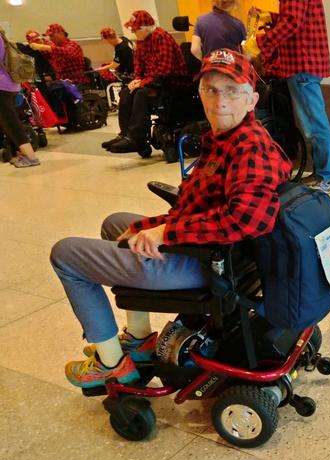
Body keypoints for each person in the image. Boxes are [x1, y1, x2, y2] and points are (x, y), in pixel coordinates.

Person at [51, 49, 293, 388]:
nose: (220, 100)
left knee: (65, 254)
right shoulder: (226, 138)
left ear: (251, 99)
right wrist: (155, 227)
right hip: (215, 254)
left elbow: (246, 219)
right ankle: (138, 339)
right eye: (211, 89)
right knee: (116, 222)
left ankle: (111, 364)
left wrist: (166, 232)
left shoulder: (249, 147)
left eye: (232, 90)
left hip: (208, 264)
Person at [250, 0, 330, 194]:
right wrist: (270, 16)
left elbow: (292, 21)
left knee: (314, 125)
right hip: (303, 63)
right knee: (313, 124)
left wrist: (259, 44)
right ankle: (323, 174)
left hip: (302, 63)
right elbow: (293, 18)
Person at [104, 10, 188, 154]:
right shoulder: (142, 41)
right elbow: (138, 64)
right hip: (154, 82)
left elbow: (164, 71)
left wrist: (142, 83)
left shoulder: (162, 37)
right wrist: (137, 79)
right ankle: (126, 134)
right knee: (126, 92)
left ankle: (136, 138)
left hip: (172, 82)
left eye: (135, 29)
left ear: (145, 28)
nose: (133, 32)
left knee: (141, 94)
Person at [0, 28, 40, 168]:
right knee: (8, 122)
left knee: (11, 122)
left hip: (2, 86)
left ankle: (31, 157)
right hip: (9, 84)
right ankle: (21, 152)